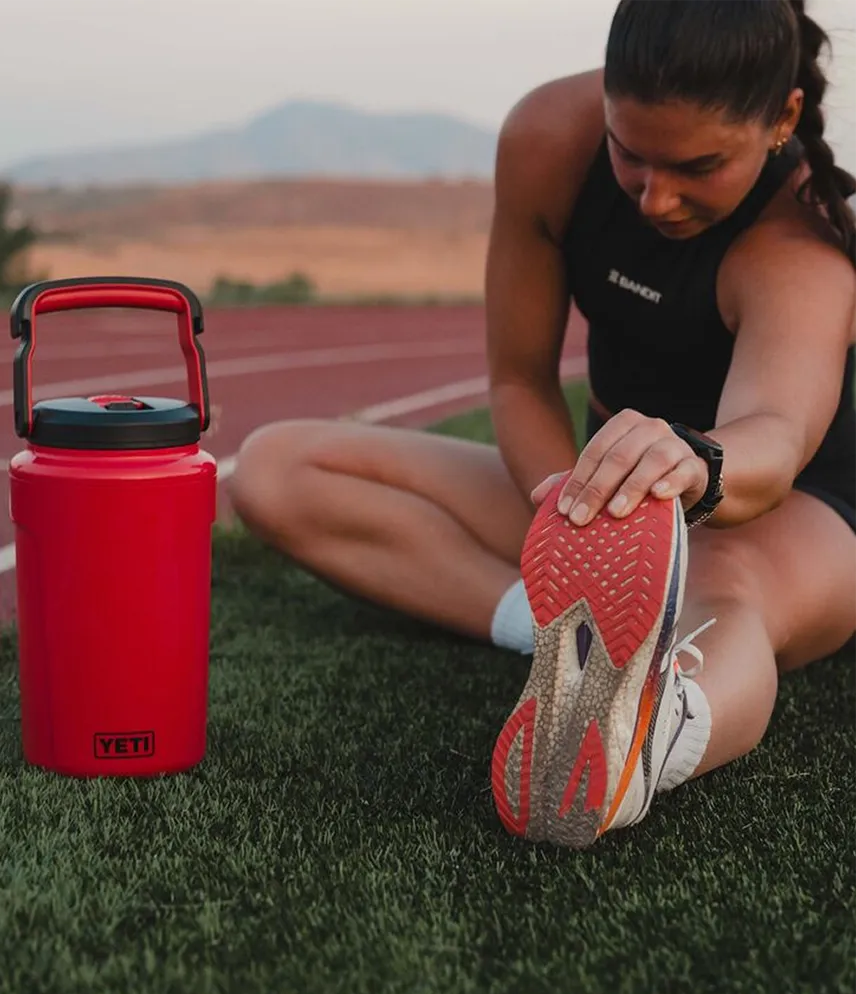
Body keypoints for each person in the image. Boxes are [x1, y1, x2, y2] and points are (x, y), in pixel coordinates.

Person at [227, 0, 856, 849]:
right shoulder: (546, 138)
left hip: (790, 510)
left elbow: (774, 439)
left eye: (697, 166)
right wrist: (568, 519)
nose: (654, 197)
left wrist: (692, 462)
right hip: (593, 487)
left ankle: (649, 735)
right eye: (628, 154)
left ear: (781, 118)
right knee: (275, 469)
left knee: (729, 596)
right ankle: (571, 638)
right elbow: (519, 379)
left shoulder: (800, 245)